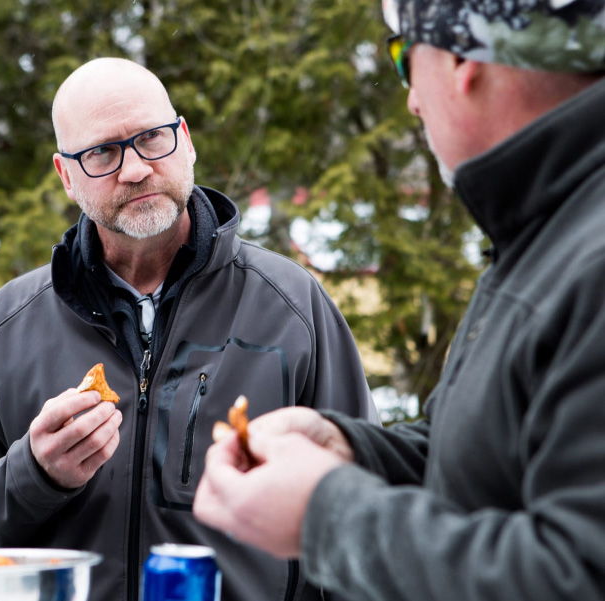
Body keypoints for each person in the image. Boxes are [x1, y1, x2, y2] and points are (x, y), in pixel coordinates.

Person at [0, 57, 380, 601]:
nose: (134, 169)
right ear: (66, 176)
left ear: (185, 141)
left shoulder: (291, 305)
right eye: (102, 153)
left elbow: (364, 509)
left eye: (152, 138)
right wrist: (35, 474)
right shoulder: (11, 322)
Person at [192, 1, 605, 600]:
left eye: (403, 57)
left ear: (463, 55)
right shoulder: (547, 228)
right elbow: (495, 455)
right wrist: (356, 451)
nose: (411, 100)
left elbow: (576, 575)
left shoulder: (585, 251)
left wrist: (327, 516)